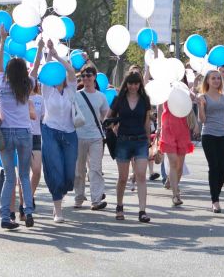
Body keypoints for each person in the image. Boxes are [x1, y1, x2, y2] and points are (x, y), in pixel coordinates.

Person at [0, 25, 37, 230]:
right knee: (24, 176)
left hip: (5, 133)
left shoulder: (2, 83)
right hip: (24, 133)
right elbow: (36, 69)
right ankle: (28, 211)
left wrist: (2, 41)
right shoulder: (27, 85)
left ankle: (5, 216)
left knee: (9, 178)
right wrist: (39, 52)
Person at [38, 40, 81, 223]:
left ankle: (60, 194)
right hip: (50, 131)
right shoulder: (47, 89)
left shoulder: (71, 88)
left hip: (70, 133)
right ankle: (57, 209)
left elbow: (71, 71)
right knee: (55, 168)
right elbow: (45, 70)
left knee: (69, 174)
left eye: (60, 74)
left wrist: (57, 56)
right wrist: (47, 53)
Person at [107, 68, 152, 222]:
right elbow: (108, 118)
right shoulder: (119, 100)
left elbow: (147, 122)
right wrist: (114, 128)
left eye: (136, 84)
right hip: (123, 141)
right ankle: (119, 206)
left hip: (140, 140)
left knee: (141, 176)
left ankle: (142, 211)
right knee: (123, 178)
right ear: (126, 84)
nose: (133, 87)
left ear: (140, 85)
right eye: (131, 84)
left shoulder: (145, 100)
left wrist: (149, 140)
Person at [198, 69, 224, 213]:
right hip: (208, 135)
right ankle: (215, 200)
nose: (216, 81)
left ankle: (216, 193)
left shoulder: (223, 97)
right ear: (207, 81)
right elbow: (202, 120)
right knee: (214, 166)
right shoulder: (203, 97)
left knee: (223, 168)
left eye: (218, 78)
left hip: (223, 135)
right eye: (213, 78)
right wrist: (201, 105)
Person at [74, 65, 109, 212]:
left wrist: (106, 124)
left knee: (95, 169)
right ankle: (79, 197)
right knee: (78, 170)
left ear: (95, 77)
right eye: (84, 76)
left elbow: (106, 114)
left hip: (96, 137)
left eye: (89, 75)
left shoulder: (101, 96)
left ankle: (96, 200)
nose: (86, 78)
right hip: (78, 136)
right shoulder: (76, 95)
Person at [157, 68, 193, 208]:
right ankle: (175, 194)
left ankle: (174, 184)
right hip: (168, 128)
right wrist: (159, 127)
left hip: (182, 128)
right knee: (172, 162)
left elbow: (192, 102)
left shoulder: (185, 90)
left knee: (179, 166)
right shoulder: (165, 90)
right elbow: (160, 109)